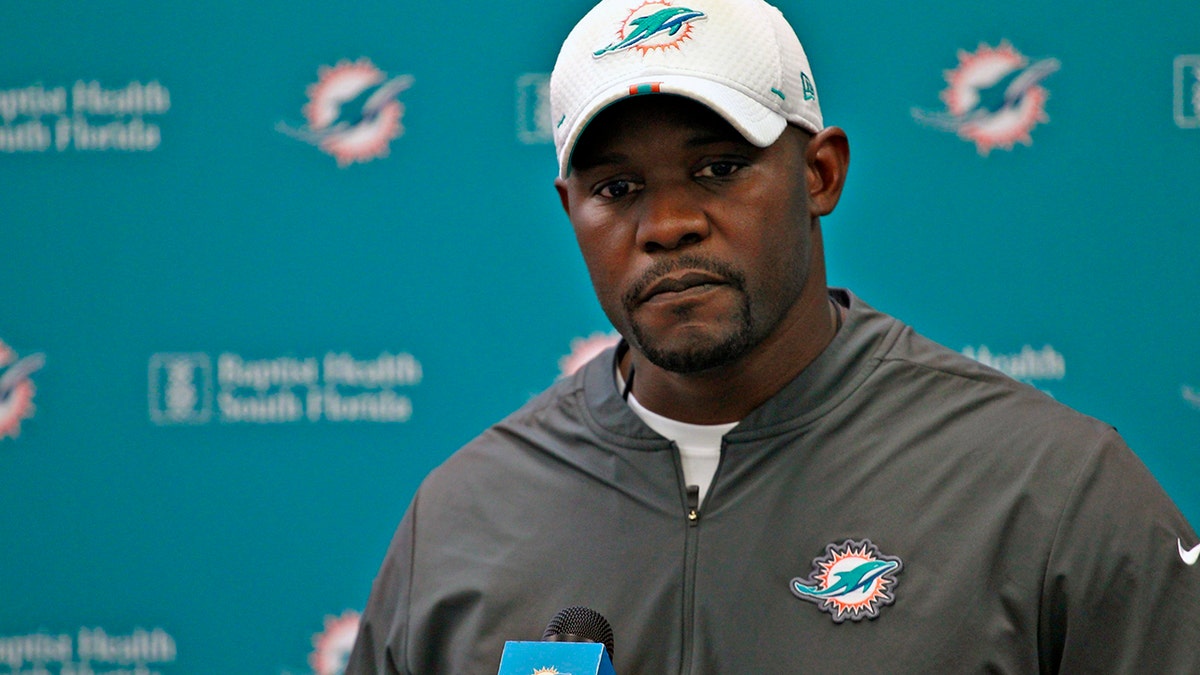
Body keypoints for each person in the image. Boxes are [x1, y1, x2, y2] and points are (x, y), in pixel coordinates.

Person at [346, 0, 1200, 672]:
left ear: (819, 173)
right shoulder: (461, 520)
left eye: (719, 168)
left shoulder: (1051, 494)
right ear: (571, 212)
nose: (668, 223)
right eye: (617, 186)